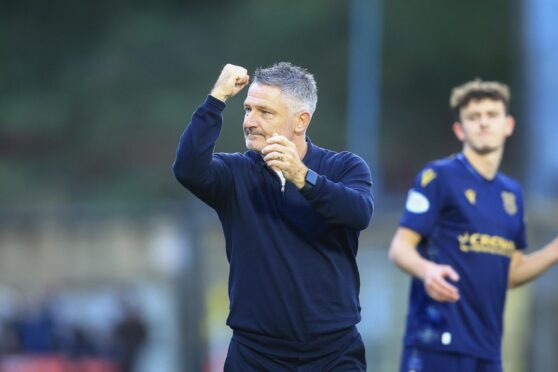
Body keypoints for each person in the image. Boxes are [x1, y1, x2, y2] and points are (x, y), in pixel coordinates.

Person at [173, 62, 374, 371]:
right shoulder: (235, 173)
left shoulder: (345, 167)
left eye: (265, 113)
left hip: (333, 354)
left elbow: (359, 212)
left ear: (301, 121)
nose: (250, 122)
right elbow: (188, 168)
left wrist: (302, 177)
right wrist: (216, 99)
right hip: (255, 355)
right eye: (248, 110)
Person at [389, 79, 558, 372]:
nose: (483, 123)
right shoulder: (438, 177)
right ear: (460, 129)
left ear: (508, 125)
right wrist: (427, 270)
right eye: (473, 117)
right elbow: (399, 248)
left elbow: (512, 273)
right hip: (436, 343)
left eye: (492, 115)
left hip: (488, 349)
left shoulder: (512, 193)